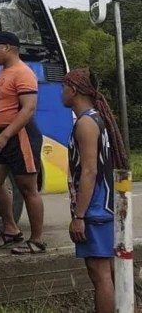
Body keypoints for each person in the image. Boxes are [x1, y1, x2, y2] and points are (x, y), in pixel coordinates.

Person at [0, 31, 46, 255]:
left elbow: (28, 109)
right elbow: (3, 107)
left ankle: (37, 240)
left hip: (20, 135)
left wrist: (6, 135)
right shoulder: (3, 73)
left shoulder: (23, 73)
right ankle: (10, 230)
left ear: (8, 47)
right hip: (1, 133)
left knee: (28, 188)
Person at [63, 68, 121, 313]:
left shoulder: (86, 123)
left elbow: (89, 172)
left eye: (63, 88)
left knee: (100, 276)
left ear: (73, 90)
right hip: (104, 207)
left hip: (95, 210)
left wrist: (79, 216)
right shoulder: (97, 118)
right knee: (110, 272)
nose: (61, 93)